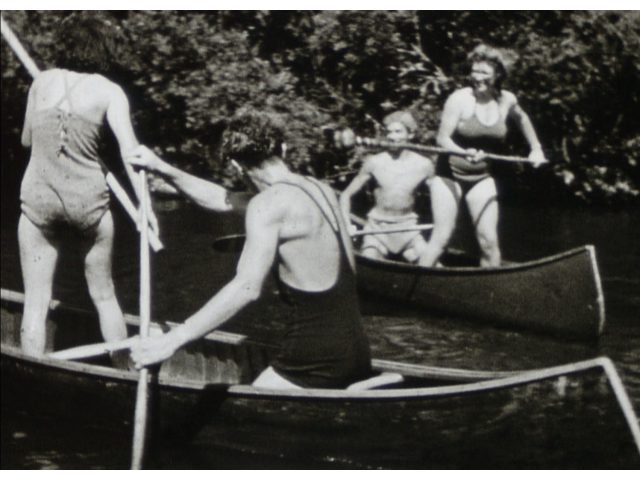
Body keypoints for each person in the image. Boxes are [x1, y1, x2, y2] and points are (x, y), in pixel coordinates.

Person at [128, 111, 372, 390]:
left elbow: (246, 288)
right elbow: (224, 200)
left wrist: (171, 341)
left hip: (315, 354)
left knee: (229, 420)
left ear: (235, 164)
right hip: (356, 348)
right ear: (282, 148)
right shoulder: (321, 189)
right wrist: (162, 168)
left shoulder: (267, 205)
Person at [18, 16, 150, 366]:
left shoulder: (41, 83)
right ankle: (123, 371)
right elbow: (132, 154)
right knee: (104, 296)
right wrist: (145, 209)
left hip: (39, 201)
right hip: (87, 203)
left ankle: (33, 376)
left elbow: (26, 140)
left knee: (36, 300)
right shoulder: (110, 92)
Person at [419, 44, 547, 268]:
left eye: (484, 73)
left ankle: (493, 295)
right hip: (448, 175)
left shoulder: (507, 100)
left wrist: (536, 148)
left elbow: (522, 119)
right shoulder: (458, 99)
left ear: (498, 74)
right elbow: (442, 140)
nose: (477, 77)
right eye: (474, 71)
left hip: (481, 176)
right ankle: (414, 286)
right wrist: (463, 152)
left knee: (489, 242)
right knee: (441, 239)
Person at [339, 111, 434, 264]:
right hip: (377, 230)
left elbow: (440, 198)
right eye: (389, 132)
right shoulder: (374, 162)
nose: (392, 137)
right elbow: (345, 195)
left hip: (408, 230)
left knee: (431, 263)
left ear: (410, 135)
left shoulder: (424, 165)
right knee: (369, 262)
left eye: (398, 132)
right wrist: (346, 225)